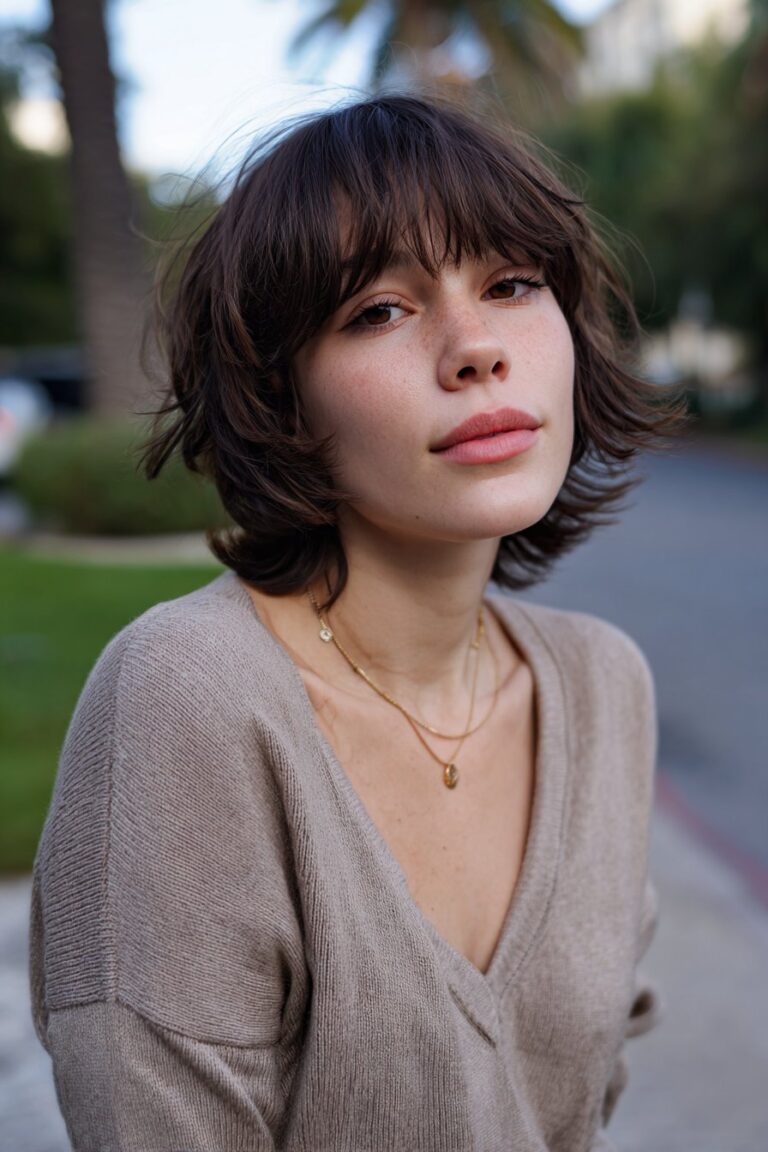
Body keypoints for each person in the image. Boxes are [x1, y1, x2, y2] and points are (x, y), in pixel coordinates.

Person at [29, 92, 685, 1151]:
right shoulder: (189, 699)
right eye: (379, 310)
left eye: (512, 284)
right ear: (280, 400)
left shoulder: (605, 687)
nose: (474, 347)